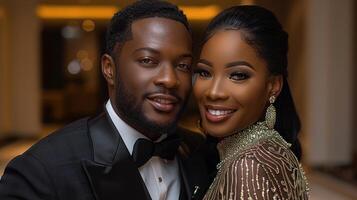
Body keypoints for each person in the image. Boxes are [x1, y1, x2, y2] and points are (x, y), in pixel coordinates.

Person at [0, 1, 218, 200]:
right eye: (148, 60)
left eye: (182, 66)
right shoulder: (41, 171)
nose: (170, 79)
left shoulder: (201, 152)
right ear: (109, 69)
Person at [193, 5, 309, 199]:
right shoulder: (269, 149)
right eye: (205, 72)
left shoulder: (248, 166)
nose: (213, 92)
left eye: (238, 75)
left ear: (273, 85)